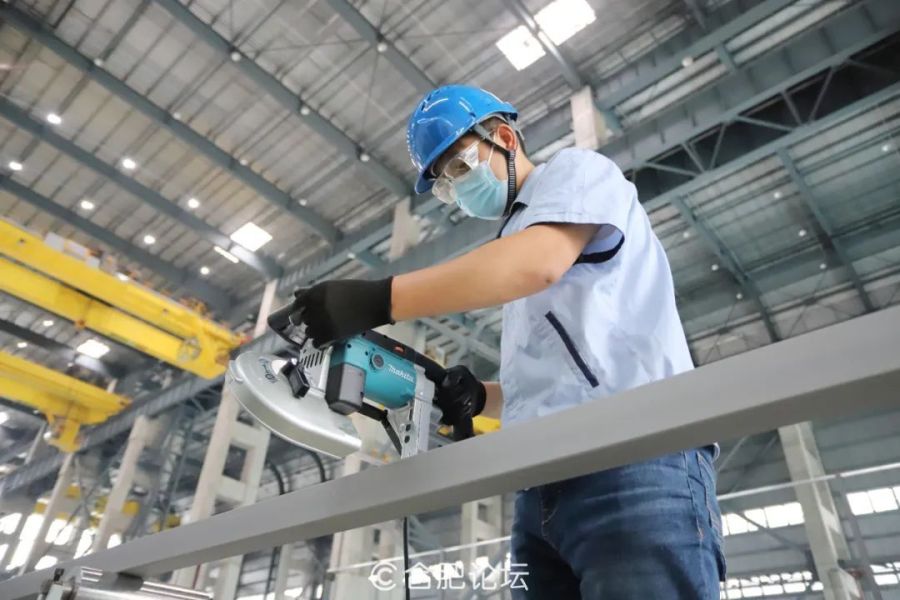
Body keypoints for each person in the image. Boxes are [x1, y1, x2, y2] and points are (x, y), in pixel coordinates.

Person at [279, 85, 725, 598]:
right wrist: (481, 396)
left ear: (507, 139)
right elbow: (565, 376)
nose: (457, 188)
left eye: (460, 167)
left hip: (633, 460)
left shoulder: (577, 173)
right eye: (446, 184)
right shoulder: (517, 241)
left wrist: (380, 299)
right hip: (539, 488)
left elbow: (538, 264)